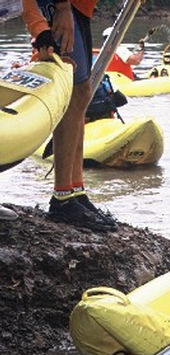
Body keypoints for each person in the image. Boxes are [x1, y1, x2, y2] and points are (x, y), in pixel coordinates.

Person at [22, 0, 116, 231]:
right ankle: (62, 198)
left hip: (79, 8)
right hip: (62, 6)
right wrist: (47, 19)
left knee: (81, 94)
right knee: (70, 92)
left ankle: (76, 190)